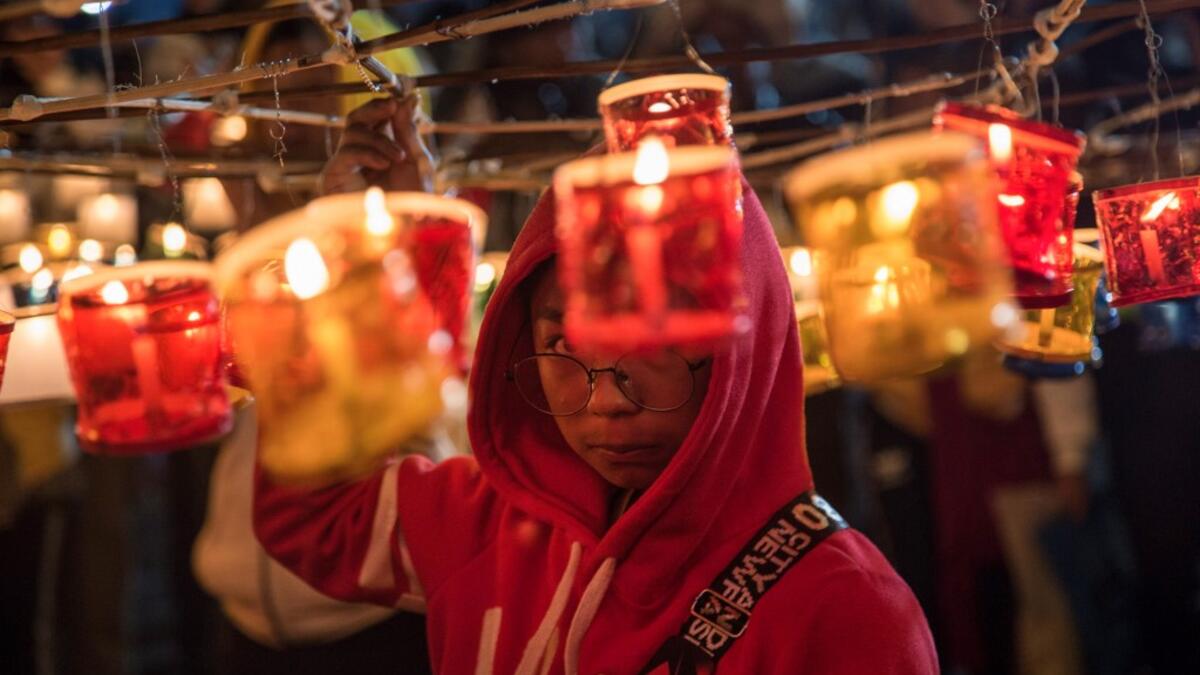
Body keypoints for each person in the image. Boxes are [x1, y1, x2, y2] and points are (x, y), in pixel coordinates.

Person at [254, 97, 939, 673]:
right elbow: (307, 515)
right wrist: (363, 269)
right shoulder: (487, 527)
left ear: (745, 344)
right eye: (561, 345)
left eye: (654, 347)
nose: (607, 399)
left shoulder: (845, 607)